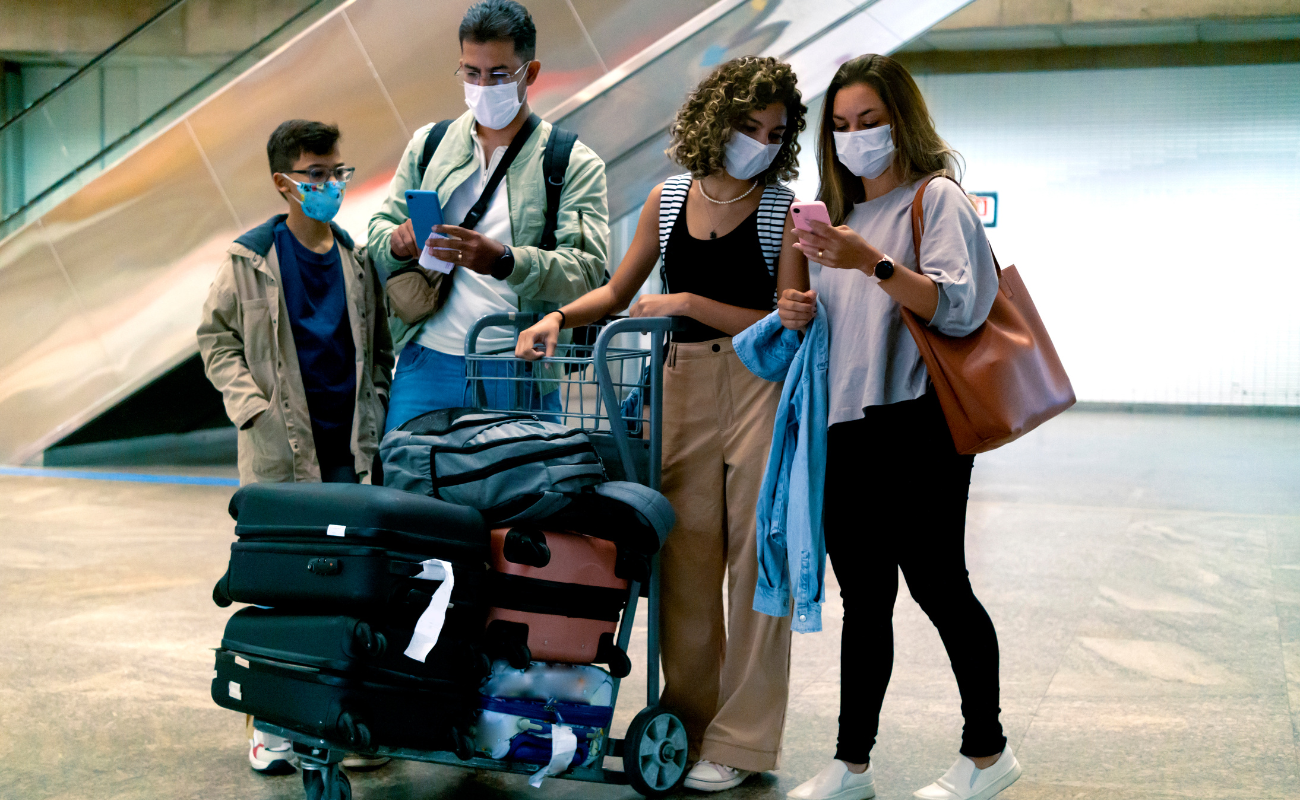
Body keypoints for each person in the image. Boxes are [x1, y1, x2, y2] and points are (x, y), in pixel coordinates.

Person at [516, 56, 807, 793]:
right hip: (678, 387)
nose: (762, 142)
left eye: (775, 131)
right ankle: (692, 725)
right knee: (685, 567)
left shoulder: (785, 210)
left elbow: (786, 323)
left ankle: (744, 743)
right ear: (716, 119)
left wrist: (685, 306)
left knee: (754, 566)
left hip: (758, 381)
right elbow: (618, 290)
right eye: (749, 126)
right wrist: (556, 315)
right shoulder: (669, 198)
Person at [780, 55, 1020, 800]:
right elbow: (839, 330)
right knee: (865, 598)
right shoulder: (837, 222)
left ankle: (988, 753)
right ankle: (852, 764)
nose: (856, 138)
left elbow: (959, 306)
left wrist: (873, 264)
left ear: (901, 122)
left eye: (870, 122)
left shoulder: (936, 199)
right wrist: (799, 310)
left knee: (940, 585)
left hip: (919, 421)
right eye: (843, 126)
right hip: (846, 428)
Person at [196, 119, 393, 774]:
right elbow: (216, 339)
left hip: (349, 450)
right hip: (281, 454)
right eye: (315, 175)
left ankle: (333, 721)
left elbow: (379, 348)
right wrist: (250, 408)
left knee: (344, 593)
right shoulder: (247, 260)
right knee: (283, 593)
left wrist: (380, 409)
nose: (330, 184)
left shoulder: (356, 259)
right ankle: (272, 727)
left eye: (337, 172)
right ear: (284, 183)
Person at [369, 0, 608, 432]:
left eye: (498, 75)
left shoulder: (570, 160)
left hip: (517, 366)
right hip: (426, 360)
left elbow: (588, 270)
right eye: (470, 73)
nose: (482, 86)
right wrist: (395, 241)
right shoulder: (430, 144)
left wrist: (504, 260)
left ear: (530, 74)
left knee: (520, 492)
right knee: (407, 489)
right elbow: (378, 230)